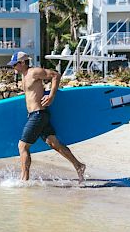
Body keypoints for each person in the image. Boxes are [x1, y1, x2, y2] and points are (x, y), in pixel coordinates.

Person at [7, 51, 86, 182]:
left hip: (38, 114)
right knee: (53, 143)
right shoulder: (24, 75)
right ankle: (79, 165)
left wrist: (51, 96)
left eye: (14, 64)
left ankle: (24, 180)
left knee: (22, 146)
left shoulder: (34, 72)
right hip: (36, 115)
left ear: (22, 63)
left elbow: (55, 75)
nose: (13, 67)